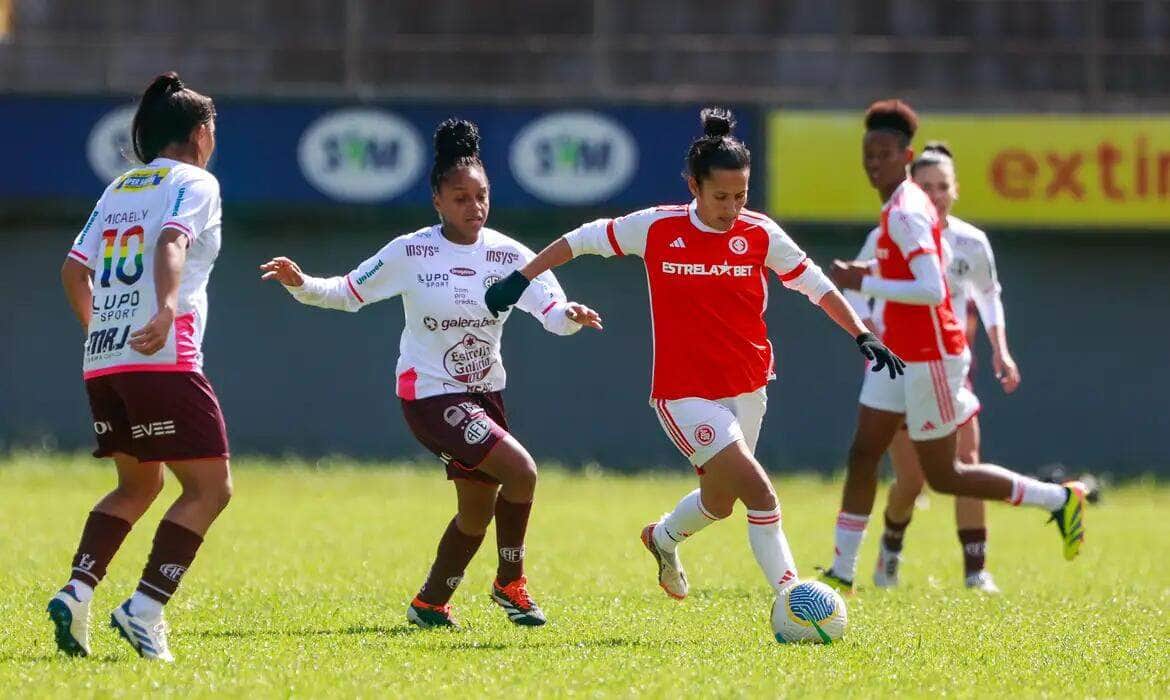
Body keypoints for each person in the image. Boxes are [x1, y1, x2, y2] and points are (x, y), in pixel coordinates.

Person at [484, 107, 903, 604]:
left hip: (749, 386)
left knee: (719, 502)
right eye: (720, 196)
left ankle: (662, 538)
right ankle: (797, 601)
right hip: (684, 395)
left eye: (740, 196)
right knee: (760, 494)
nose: (731, 207)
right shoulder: (657, 228)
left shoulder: (760, 233)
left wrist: (861, 333)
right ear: (694, 186)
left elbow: (816, 285)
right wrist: (520, 278)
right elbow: (579, 241)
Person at [260, 119, 601, 629]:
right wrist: (301, 282)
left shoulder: (510, 256)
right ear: (437, 201)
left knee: (476, 511)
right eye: (461, 198)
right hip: (430, 396)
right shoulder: (410, 251)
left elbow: (551, 314)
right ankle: (511, 582)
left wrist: (570, 317)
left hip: (485, 397)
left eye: (481, 196)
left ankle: (430, 603)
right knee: (523, 471)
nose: (475, 207)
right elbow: (347, 293)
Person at [820, 100, 1086, 594]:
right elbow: (892, 281)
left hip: (931, 357)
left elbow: (932, 290)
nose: (872, 162)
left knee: (944, 475)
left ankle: (1059, 500)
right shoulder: (895, 210)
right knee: (864, 453)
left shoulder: (905, 213)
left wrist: (864, 280)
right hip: (896, 354)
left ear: (905, 156)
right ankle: (841, 572)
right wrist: (856, 283)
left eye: (883, 153)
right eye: (867, 153)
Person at [51, 71, 230, 662]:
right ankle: (145, 607)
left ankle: (78, 590)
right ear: (201, 133)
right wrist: (168, 309)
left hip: (106, 360)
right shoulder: (196, 181)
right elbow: (172, 241)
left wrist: (103, 331)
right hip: (163, 354)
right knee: (210, 489)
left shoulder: (122, 186)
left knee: (139, 484)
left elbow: (74, 272)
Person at [847, 143, 1021, 593]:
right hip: (903, 371)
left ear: (955, 190)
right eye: (926, 186)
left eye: (943, 186)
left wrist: (1001, 350)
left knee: (966, 462)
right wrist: (873, 340)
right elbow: (854, 293)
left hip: (950, 370)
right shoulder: (890, 235)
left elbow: (988, 294)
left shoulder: (970, 241)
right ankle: (889, 549)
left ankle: (975, 570)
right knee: (914, 478)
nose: (936, 194)